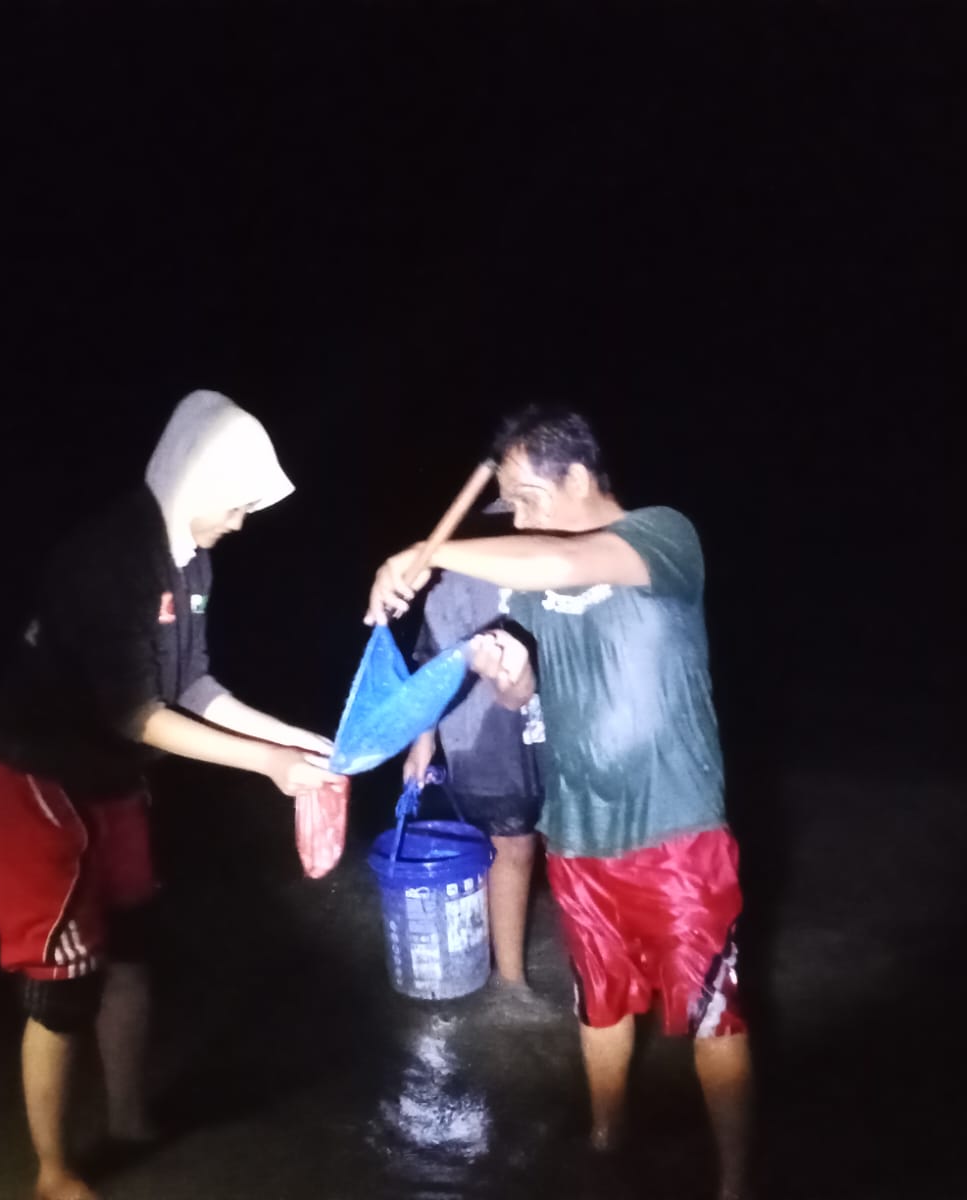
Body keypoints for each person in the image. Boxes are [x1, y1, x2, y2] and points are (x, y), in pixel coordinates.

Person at [367, 406, 750, 1199]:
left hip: (676, 828)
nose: (522, 516)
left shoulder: (662, 537)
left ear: (578, 477)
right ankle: (607, 1144)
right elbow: (530, 696)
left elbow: (558, 561)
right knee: (598, 1001)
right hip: (576, 831)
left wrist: (423, 552)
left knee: (715, 1013)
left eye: (529, 496)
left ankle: (737, 1182)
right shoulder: (536, 592)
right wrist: (510, 678)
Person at [0, 390, 342, 1200]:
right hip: (37, 779)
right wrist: (267, 767)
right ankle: (55, 1171)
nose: (242, 521)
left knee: (134, 953)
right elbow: (139, 714)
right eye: (237, 502)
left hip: (111, 778)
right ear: (193, 477)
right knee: (63, 984)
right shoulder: (108, 558)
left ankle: (131, 1115)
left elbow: (194, 683)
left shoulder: (194, 557)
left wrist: (286, 738)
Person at [401, 521, 545, 994]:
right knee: (513, 845)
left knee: (564, 846)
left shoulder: (572, 541)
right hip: (483, 729)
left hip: (560, 727)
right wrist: (424, 741)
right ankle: (510, 981)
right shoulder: (464, 561)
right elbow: (431, 661)